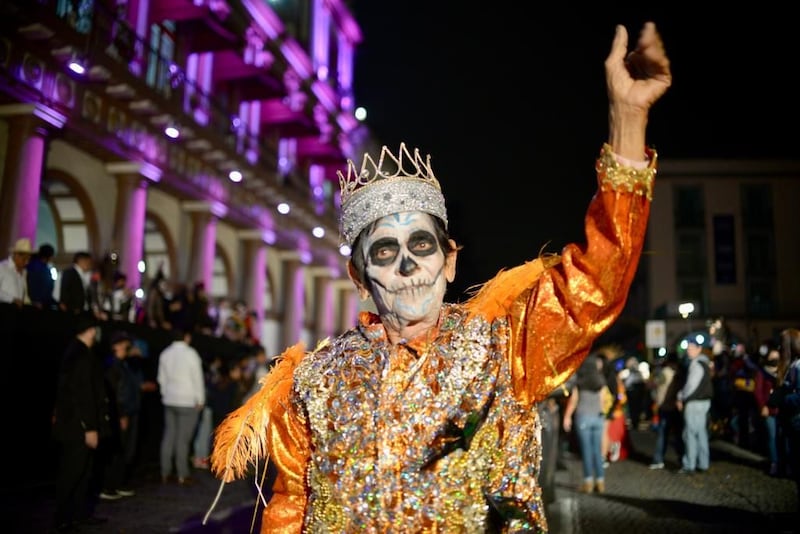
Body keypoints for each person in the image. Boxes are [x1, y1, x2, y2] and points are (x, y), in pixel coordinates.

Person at [209, 21, 671, 532]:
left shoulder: (504, 353)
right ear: (359, 276)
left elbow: (595, 285)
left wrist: (627, 120)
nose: (407, 265)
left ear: (448, 262)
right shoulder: (313, 383)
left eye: (421, 245)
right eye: (384, 251)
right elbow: (289, 506)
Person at [51, 313, 110, 531]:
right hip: (77, 427)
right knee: (73, 471)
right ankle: (63, 517)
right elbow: (82, 394)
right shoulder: (82, 356)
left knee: (82, 470)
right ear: (91, 330)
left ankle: (75, 514)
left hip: (73, 424)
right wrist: (90, 428)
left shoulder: (74, 352)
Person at [157, 328, 205, 485]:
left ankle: (165, 472)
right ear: (186, 336)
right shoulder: (191, 354)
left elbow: (161, 379)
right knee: (183, 439)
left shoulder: (165, 354)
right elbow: (197, 378)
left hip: (170, 400)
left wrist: (165, 394)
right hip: (187, 400)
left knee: (169, 436)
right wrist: (200, 399)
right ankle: (182, 474)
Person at [98, 330, 143, 500]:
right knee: (117, 450)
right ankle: (109, 486)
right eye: (125, 343)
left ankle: (118, 483)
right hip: (121, 415)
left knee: (126, 451)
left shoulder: (124, 364)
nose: (128, 346)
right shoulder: (113, 365)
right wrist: (122, 414)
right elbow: (114, 393)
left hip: (129, 412)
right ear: (116, 345)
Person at [563, 353, 609, 493]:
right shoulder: (600, 380)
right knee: (597, 451)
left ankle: (588, 482)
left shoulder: (579, 381)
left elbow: (574, 401)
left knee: (587, 451)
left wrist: (567, 417)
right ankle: (600, 482)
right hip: (597, 417)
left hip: (583, 417)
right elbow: (603, 401)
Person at [676, 339, 714, 474]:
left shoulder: (696, 364)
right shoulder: (704, 363)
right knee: (701, 433)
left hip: (694, 402)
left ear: (699, 349)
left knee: (690, 434)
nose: (689, 351)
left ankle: (689, 465)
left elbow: (691, 386)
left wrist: (681, 397)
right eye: (688, 348)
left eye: (692, 348)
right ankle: (703, 463)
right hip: (703, 402)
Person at [0, 237, 32, 306]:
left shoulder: (24, 272)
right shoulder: (2, 267)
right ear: (16, 255)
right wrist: (12, 299)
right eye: (24, 259)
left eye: (28, 259)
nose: (26, 262)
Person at [26, 242, 57, 309]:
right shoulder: (35, 267)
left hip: (46, 302)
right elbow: (32, 284)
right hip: (37, 303)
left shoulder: (47, 267)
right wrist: (36, 300)